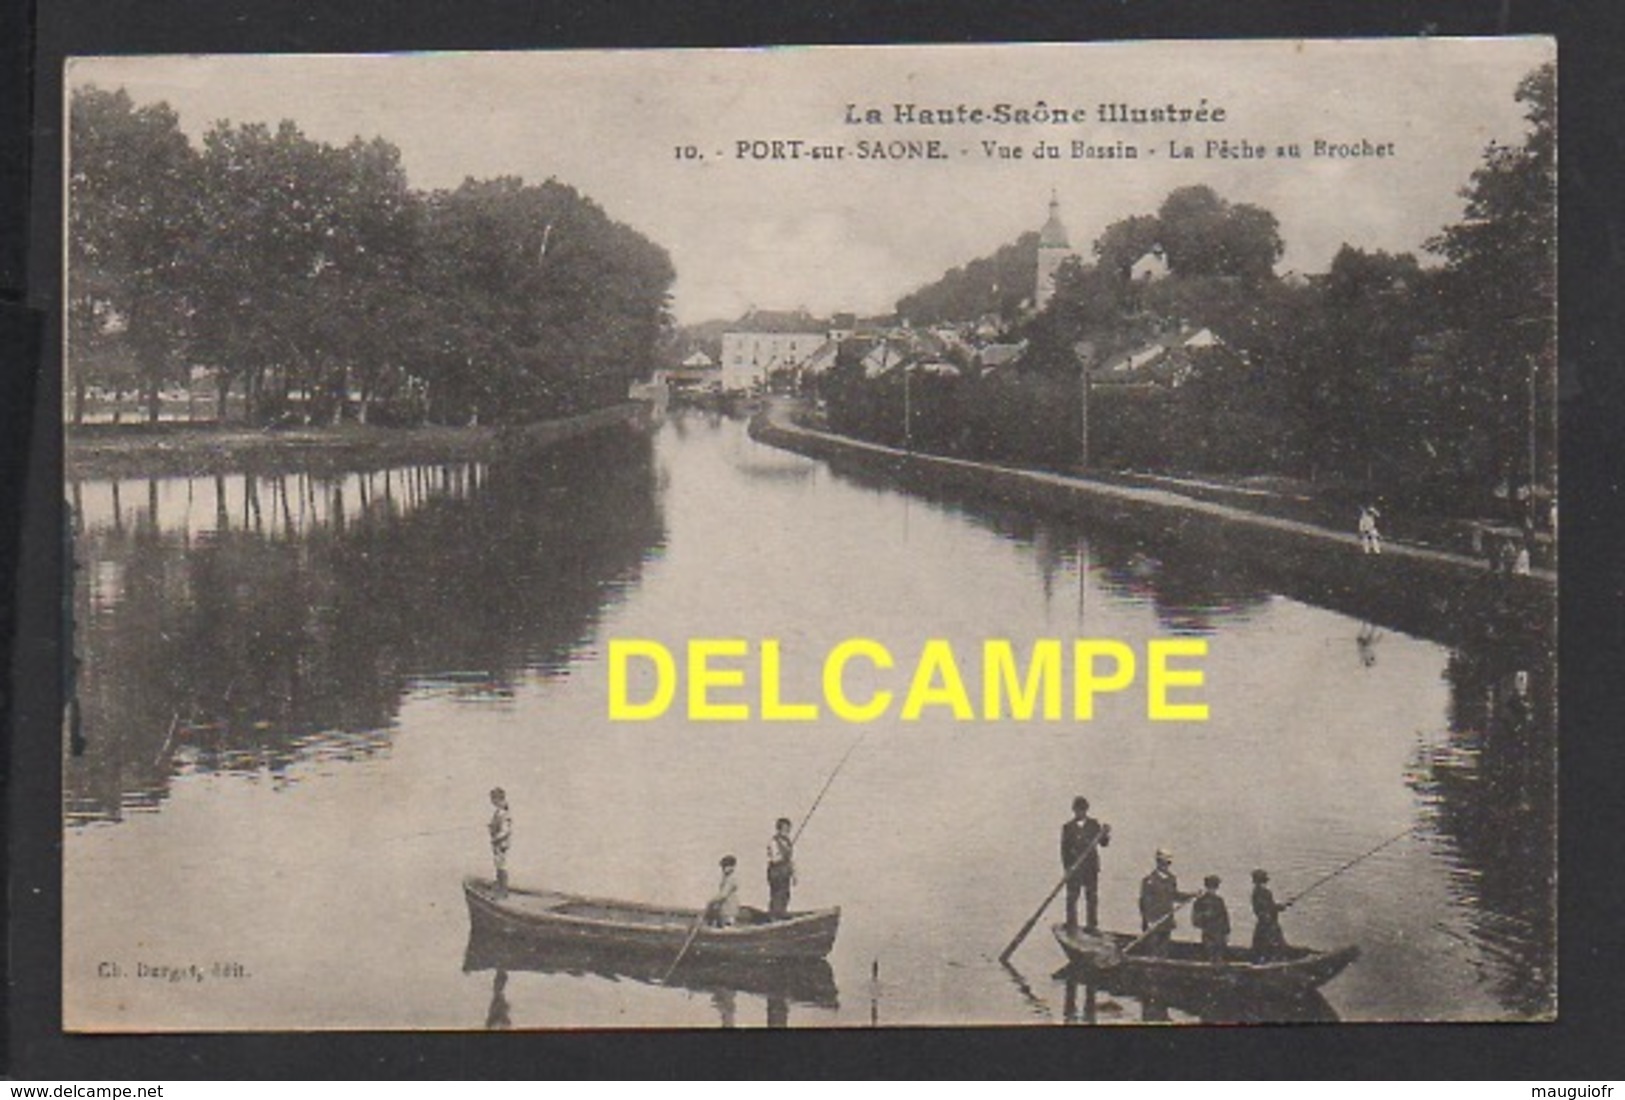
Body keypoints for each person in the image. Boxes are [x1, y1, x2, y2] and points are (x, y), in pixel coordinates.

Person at [1060, 796, 1111, 932]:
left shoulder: (1094, 825)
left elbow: (1104, 843)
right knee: (1072, 897)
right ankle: (1071, 923)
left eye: (1082, 810)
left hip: (1090, 868)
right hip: (1074, 868)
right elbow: (1064, 850)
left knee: (1091, 896)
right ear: (1074, 810)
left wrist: (1105, 833)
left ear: (1086, 810)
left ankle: (1092, 925)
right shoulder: (1068, 827)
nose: (1079, 812)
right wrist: (1067, 869)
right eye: (1077, 810)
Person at [1138, 849, 1193, 957]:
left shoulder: (1171, 879)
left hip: (1166, 921)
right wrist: (1147, 920)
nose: (1165, 865)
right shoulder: (1149, 880)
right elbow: (1144, 902)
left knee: (1164, 950)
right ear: (1158, 862)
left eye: (1168, 863)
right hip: (1153, 922)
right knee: (1152, 950)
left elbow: (1175, 895)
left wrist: (1191, 895)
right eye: (1162, 862)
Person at [1190, 874, 1231, 965]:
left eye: (1215, 887)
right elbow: (1195, 920)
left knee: (1219, 955)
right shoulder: (1200, 901)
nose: (1213, 890)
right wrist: (1206, 919)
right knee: (1210, 954)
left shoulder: (1219, 900)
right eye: (1211, 887)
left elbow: (1225, 917)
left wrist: (1227, 932)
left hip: (1220, 934)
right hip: (1209, 934)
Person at [1250, 869, 1290, 960]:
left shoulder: (1256, 892)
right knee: (1275, 944)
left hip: (1264, 923)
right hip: (1269, 924)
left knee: (1261, 945)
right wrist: (1282, 906)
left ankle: (1264, 958)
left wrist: (1282, 906)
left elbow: (1268, 907)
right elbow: (1269, 908)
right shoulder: (1264, 892)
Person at [766, 817, 797, 920]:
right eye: (784, 829)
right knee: (777, 894)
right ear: (779, 829)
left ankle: (782, 913)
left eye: (788, 829)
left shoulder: (788, 842)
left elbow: (791, 860)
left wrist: (794, 874)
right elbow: (774, 859)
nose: (786, 832)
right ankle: (774, 916)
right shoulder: (773, 842)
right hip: (776, 872)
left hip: (785, 872)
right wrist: (784, 854)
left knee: (785, 894)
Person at [488, 787, 512, 895]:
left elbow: (505, 831)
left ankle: (503, 889)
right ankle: (500, 885)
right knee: (498, 864)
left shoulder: (503, 813)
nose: (492, 801)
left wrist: (495, 839)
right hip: (498, 844)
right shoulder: (499, 812)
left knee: (501, 865)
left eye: (493, 799)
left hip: (501, 844)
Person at [705, 855, 741, 928]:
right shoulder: (726, 878)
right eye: (723, 867)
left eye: (726, 866)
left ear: (732, 867)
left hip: (729, 910)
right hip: (724, 910)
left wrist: (711, 901)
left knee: (727, 926)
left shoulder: (731, 879)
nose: (724, 869)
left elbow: (723, 895)